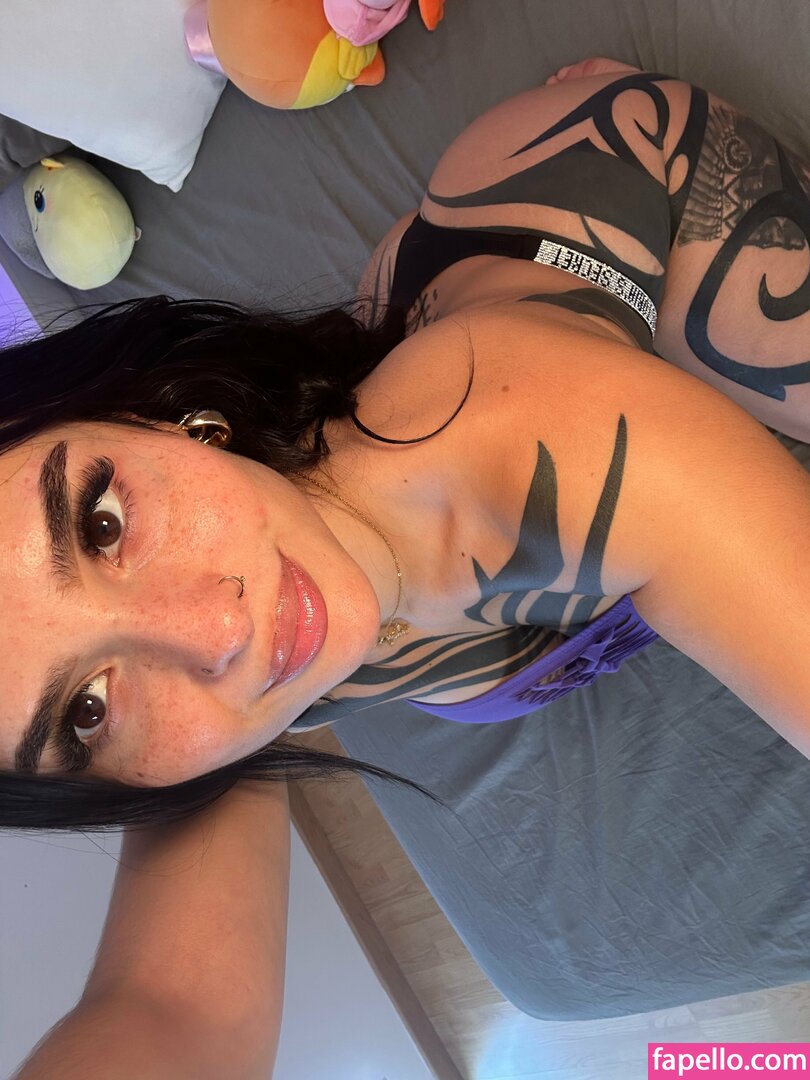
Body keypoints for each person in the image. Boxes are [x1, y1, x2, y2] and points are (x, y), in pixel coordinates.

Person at [4, 59, 810, 1076]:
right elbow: (172, 1019)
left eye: (102, 523)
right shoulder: (203, 711)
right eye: (83, 710)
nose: (214, 634)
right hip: (431, 299)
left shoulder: (542, 440)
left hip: (622, 191)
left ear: (149, 416)